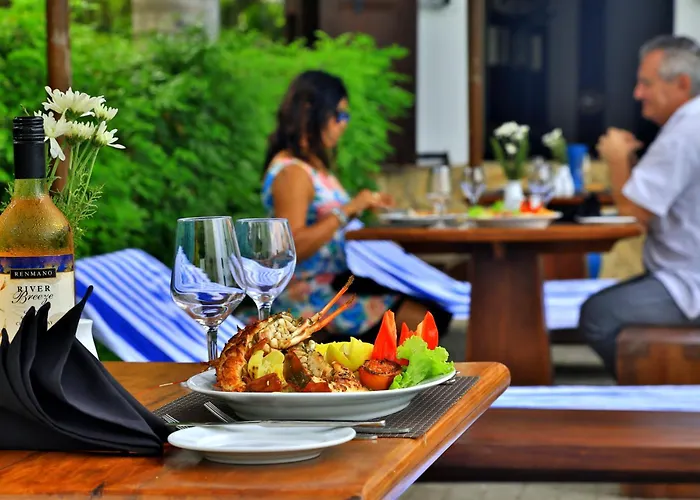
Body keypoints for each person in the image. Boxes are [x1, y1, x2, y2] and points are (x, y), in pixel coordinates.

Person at [246, 69, 452, 341]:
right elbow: (292, 246)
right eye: (339, 115)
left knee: (434, 313)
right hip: (307, 294)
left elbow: (325, 220)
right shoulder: (292, 171)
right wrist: (347, 210)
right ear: (310, 111)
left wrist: (363, 208)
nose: (343, 124)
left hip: (335, 282)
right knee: (424, 321)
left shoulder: (312, 166)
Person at [579, 35, 700, 376]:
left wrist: (617, 159)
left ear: (682, 83)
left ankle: (662, 385)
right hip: (682, 274)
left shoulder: (685, 132)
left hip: (689, 283)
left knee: (598, 315)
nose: (637, 93)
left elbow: (633, 215)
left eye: (646, 83)